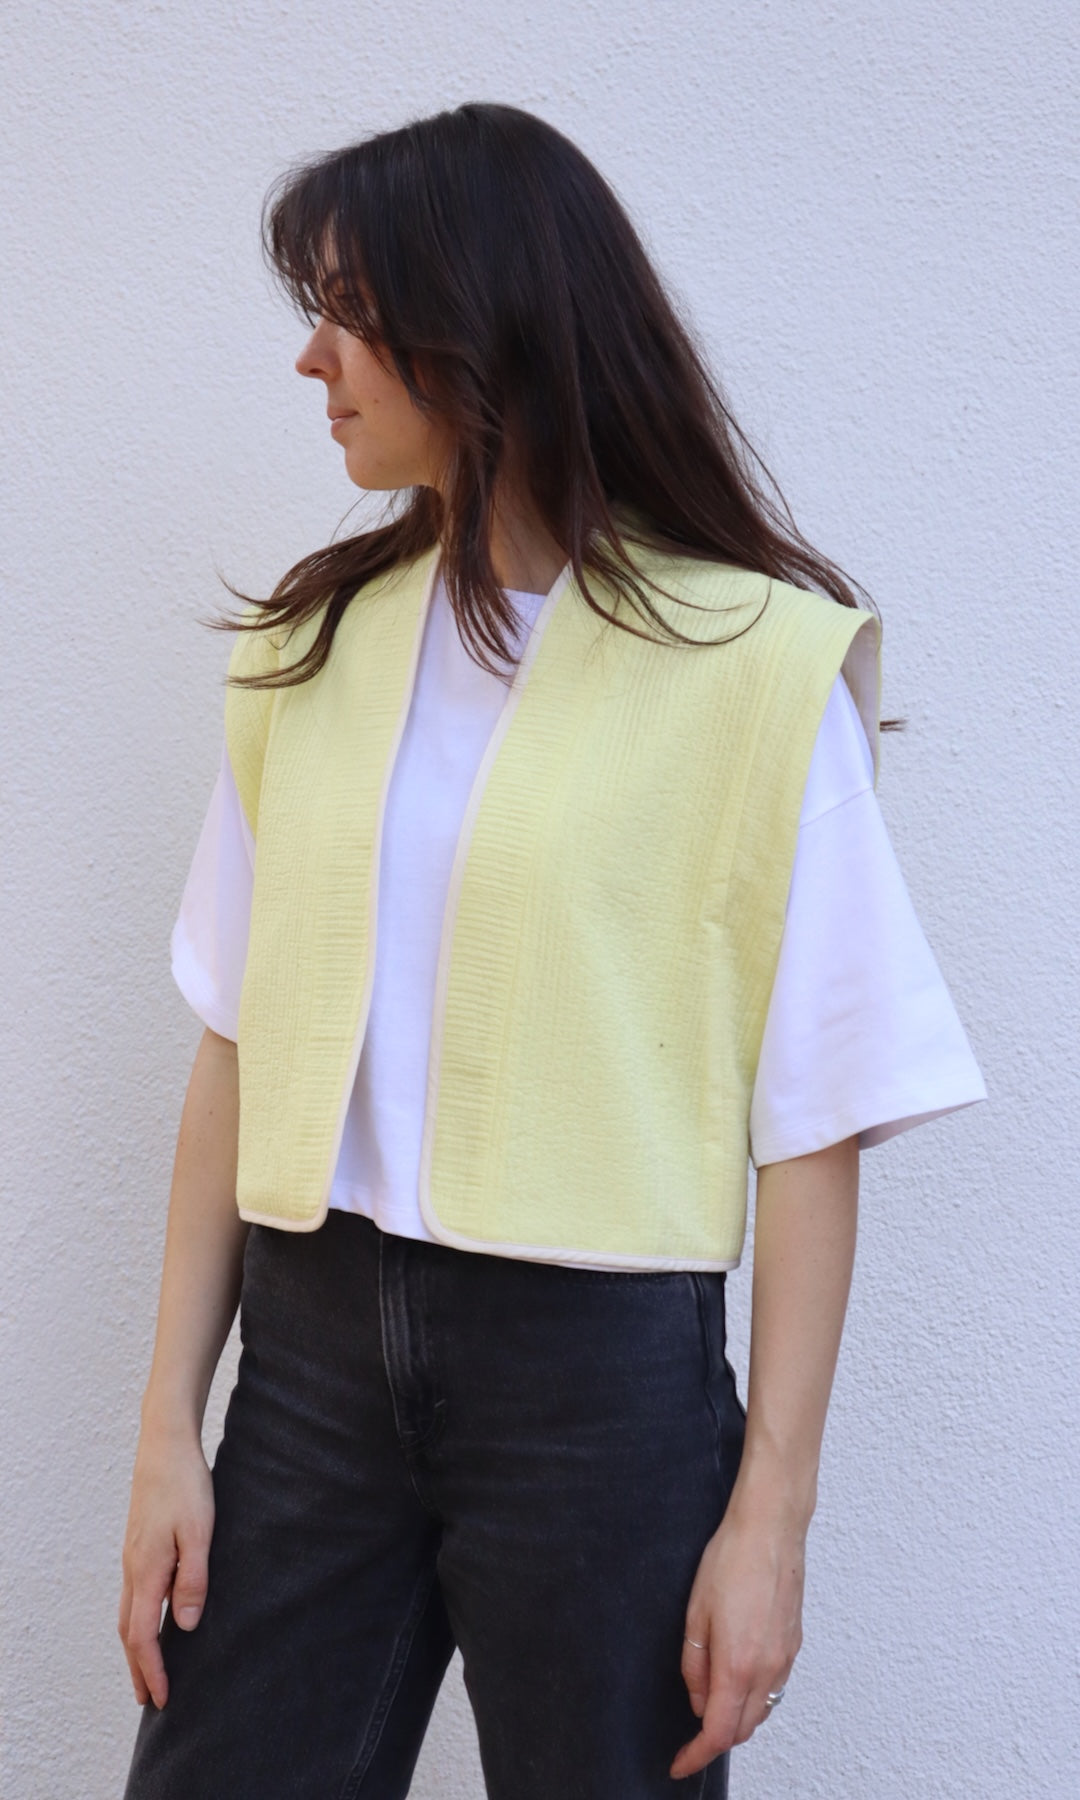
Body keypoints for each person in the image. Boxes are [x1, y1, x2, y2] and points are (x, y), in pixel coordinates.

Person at [118, 102, 987, 1799]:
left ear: (481, 323)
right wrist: (167, 1425)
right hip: (308, 1363)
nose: (310, 359)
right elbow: (233, 1044)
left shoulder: (752, 669)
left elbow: (816, 1120)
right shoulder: (312, 648)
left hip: (599, 1388)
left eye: (348, 311)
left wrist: (772, 1518)